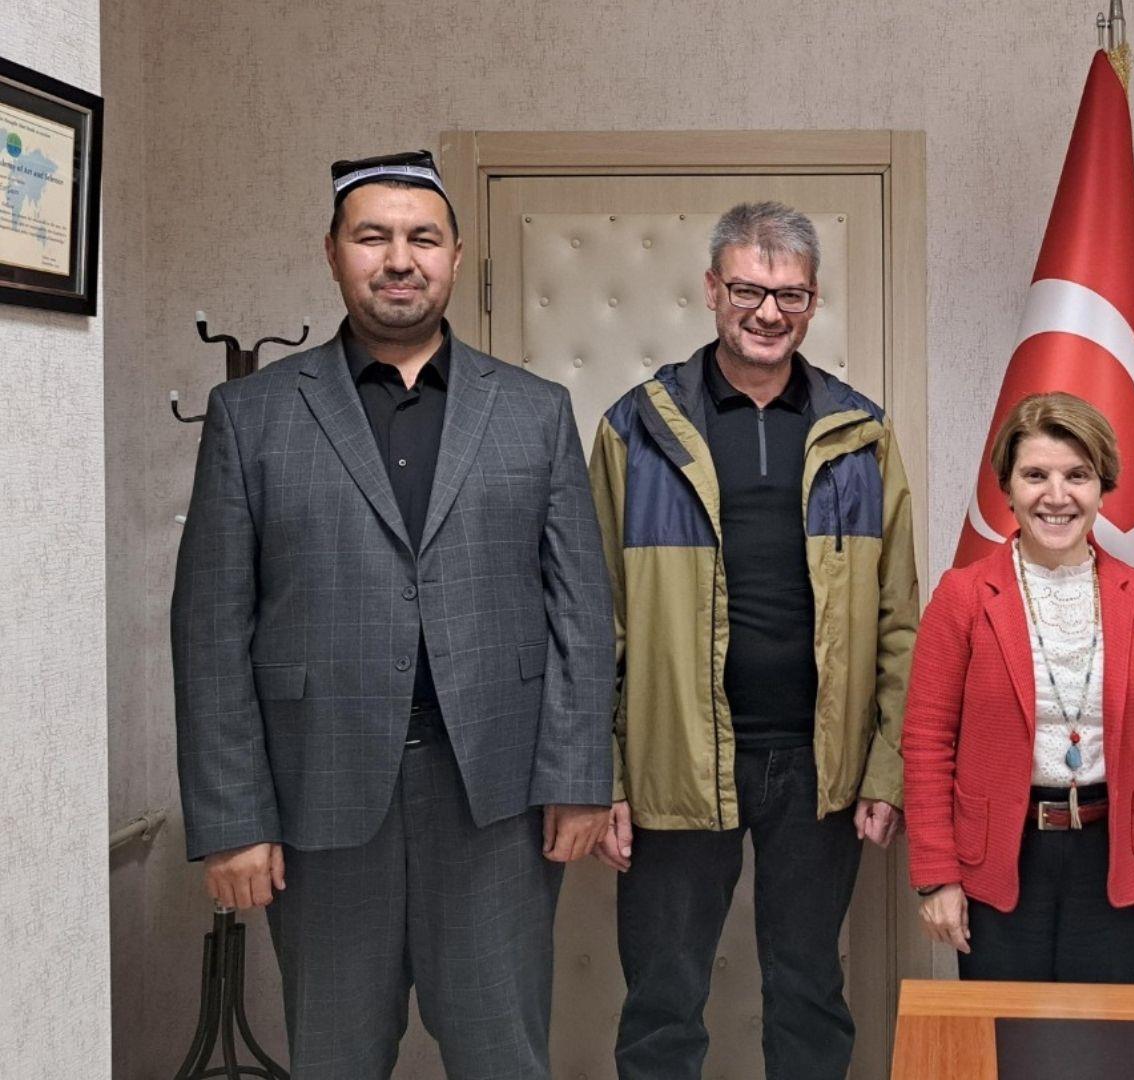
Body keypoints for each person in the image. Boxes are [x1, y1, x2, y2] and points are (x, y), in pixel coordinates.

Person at [171, 149, 616, 1078]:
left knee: (504, 1058)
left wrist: (580, 776)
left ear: (455, 254)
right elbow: (210, 629)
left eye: (423, 237)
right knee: (336, 1059)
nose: (400, 259)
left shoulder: (534, 412)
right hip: (319, 802)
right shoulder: (251, 415)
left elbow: (581, 612)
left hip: (496, 802)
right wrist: (232, 818)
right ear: (333, 253)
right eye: (373, 237)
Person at [588, 201, 918, 1080]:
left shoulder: (862, 433)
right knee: (662, 1005)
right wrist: (601, 777)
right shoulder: (635, 429)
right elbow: (594, 622)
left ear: (814, 301)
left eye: (790, 296)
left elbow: (900, 619)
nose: (768, 313)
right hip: (674, 762)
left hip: (817, 767)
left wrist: (885, 769)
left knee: (810, 995)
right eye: (747, 291)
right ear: (711, 289)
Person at [903, 392, 1134, 983]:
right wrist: (937, 876)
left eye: (1077, 476)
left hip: (1115, 861)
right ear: (1007, 487)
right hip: (999, 860)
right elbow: (926, 745)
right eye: (1035, 475)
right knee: (1005, 1032)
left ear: (1102, 486)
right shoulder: (962, 598)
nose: (1057, 496)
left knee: (1101, 1035)